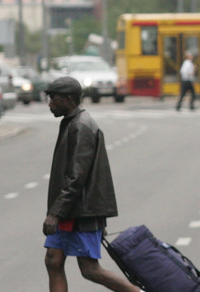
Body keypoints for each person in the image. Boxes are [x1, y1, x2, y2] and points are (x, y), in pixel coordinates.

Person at [42, 77, 138, 292]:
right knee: (53, 260)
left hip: (81, 212)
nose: (50, 104)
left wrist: (55, 213)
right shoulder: (71, 121)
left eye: (53, 100)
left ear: (68, 100)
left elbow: (77, 177)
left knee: (89, 269)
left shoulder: (81, 126)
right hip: (70, 209)